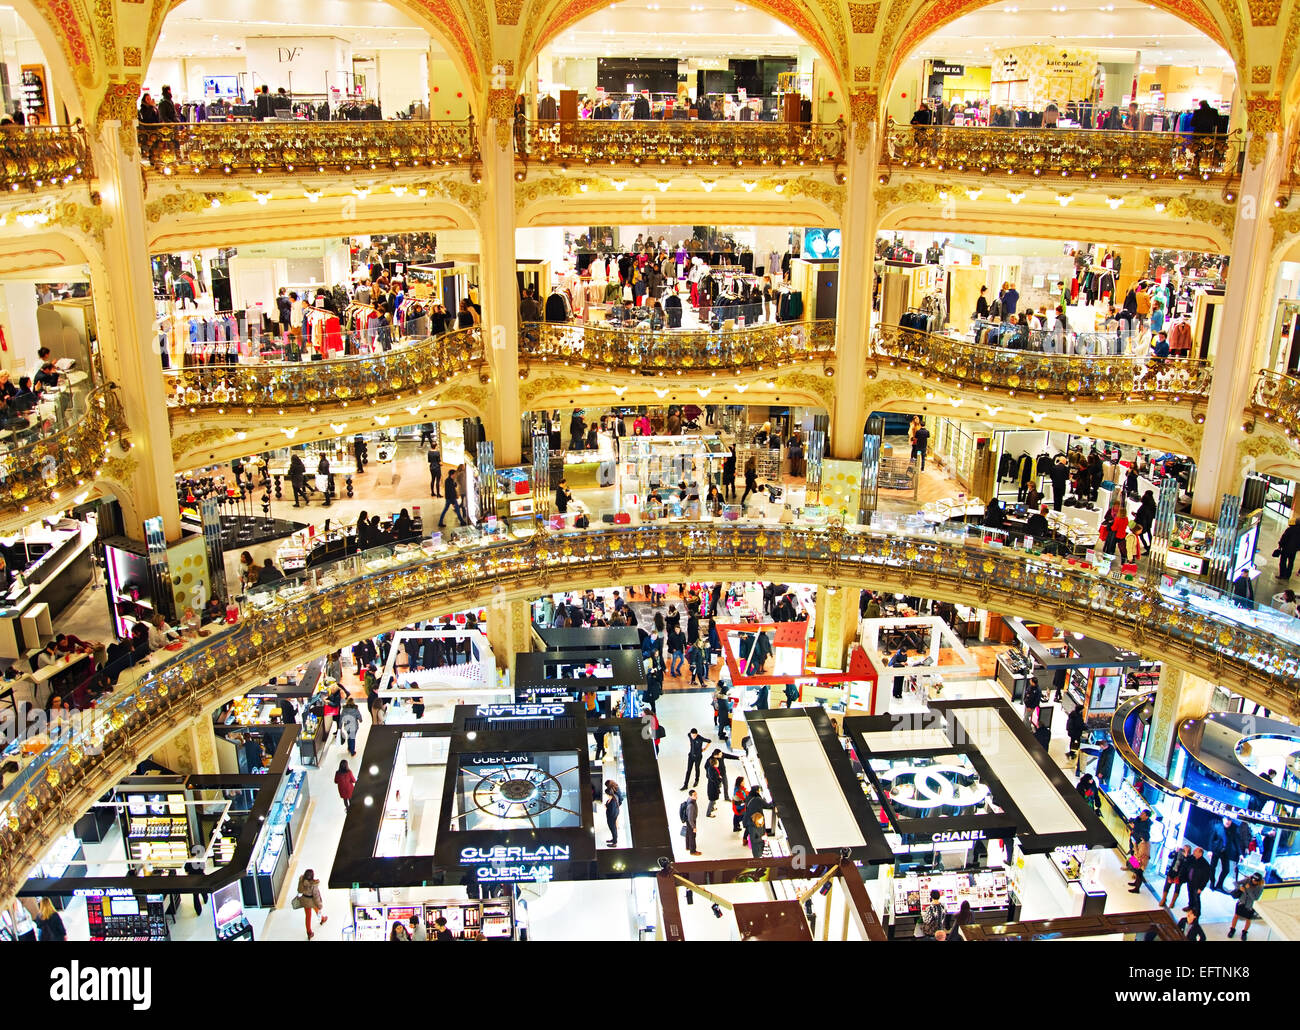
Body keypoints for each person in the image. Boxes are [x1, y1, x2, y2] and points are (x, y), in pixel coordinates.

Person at [1227, 872, 1264, 940]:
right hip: (1241, 902)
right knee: (1236, 916)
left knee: (1248, 919)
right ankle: (1232, 929)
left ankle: (1244, 932)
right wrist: (1240, 887)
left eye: (1255, 880)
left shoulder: (1260, 887)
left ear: (1258, 881)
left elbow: (1255, 898)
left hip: (1250, 906)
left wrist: (1248, 889)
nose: (1253, 881)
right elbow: (1235, 883)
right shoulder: (1247, 880)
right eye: (1253, 879)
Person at [1209, 816, 1242, 891]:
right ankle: (1212, 882)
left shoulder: (1234, 829)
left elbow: (1236, 842)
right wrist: (1210, 850)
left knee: (1226, 870)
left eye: (1229, 820)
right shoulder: (1217, 827)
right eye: (1226, 820)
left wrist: (1240, 854)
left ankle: (1219, 885)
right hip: (1216, 850)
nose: (1228, 822)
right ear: (1223, 820)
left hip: (1226, 852)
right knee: (1212, 867)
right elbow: (1211, 839)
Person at [294, 869, 327, 939]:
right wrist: (319, 905)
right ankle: (322, 919)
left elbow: (299, 890)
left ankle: (309, 932)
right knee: (317, 910)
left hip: (305, 901)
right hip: (312, 901)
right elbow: (316, 897)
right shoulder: (314, 885)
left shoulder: (301, 881)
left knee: (308, 916)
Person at [1161, 843, 1192, 908]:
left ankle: (1173, 902)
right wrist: (1175, 851)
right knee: (1167, 885)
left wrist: (1186, 857)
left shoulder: (1190, 858)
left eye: (1186, 849)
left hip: (1181, 875)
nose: (1184, 850)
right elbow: (1170, 856)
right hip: (1172, 872)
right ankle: (1163, 899)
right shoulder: (1178, 853)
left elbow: (1187, 866)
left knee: (1177, 888)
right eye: (1184, 848)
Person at [1185, 846, 1212, 915]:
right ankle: (1190, 906)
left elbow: (1206, 877)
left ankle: (1197, 912)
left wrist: (1201, 887)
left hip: (1197, 884)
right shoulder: (1193, 858)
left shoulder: (1205, 864)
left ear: (1200, 853)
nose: (1194, 851)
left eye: (1196, 851)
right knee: (1190, 894)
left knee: (1196, 898)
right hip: (1190, 881)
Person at [682, 789, 701, 855]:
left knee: (688, 833)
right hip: (691, 821)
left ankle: (688, 847)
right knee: (692, 836)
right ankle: (693, 851)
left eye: (696, 794)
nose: (696, 796)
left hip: (688, 821)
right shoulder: (691, 806)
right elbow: (690, 818)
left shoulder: (689, 800)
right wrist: (694, 827)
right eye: (694, 795)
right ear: (690, 796)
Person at [603, 779, 622, 846]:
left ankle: (614, 842)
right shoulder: (613, 797)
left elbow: (612, 811)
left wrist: (607, 807)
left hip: (613, 815)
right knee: (613, 828)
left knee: (613, 827)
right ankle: (614, 839)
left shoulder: (614, 800)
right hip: (614, 812)